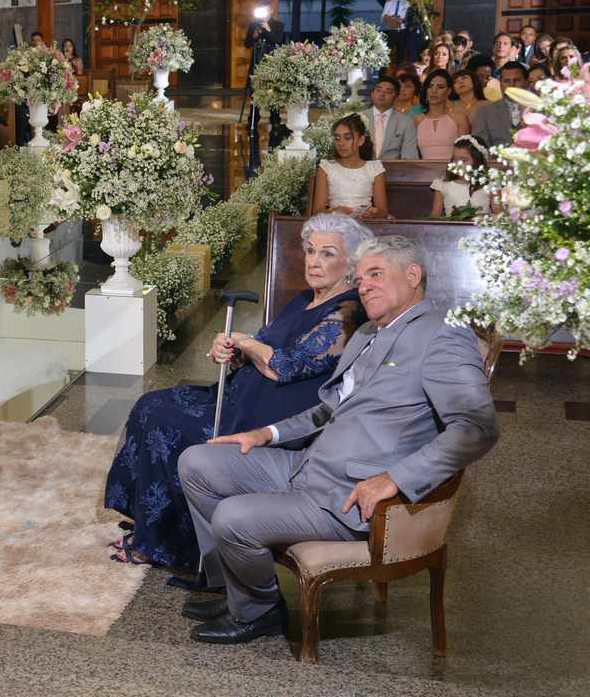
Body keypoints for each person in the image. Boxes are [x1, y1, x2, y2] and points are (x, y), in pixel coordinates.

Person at [177, 236, 499, 644]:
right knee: (197, 461)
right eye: (360, 278)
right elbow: (328, 408)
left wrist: (394, 479)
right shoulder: (366, 332)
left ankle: (258, 613)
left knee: (232, 518)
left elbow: (477, 426)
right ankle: (240, 592)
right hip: (307, 465)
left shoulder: (443, 334)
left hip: (348, 495)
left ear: (413, 276)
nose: (363, 286)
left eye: (376, 274)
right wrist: (265, 434)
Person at [105, 213, 370, 571]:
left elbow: (286, 366)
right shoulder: (301, 299)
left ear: (350, 263)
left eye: (327, 253)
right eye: (310, 251)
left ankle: (165, 545)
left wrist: (249, 345)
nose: (314, 262)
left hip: (271, 417)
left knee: (167, 422)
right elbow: (260, 350)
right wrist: (229, 351)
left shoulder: (348, 311)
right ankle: (153, 524)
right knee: (150, 402)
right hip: (237, 395)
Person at [310, 113, 388, 219]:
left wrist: (373, 214)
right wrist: (333, 211)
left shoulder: (374, 168)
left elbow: (383, 212)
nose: (341, 143)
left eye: (347, 138)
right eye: (337, 138)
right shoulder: (327, 167)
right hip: (335, 225)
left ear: (361, 140)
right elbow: (317, 212)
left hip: (365, 225)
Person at [430, 137, 502, 217]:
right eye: (454, 158)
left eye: (463, 160)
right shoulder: (442, 185)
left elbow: (499, 214)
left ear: (477, 161)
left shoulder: (490, 185)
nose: (457, 163)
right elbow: (434, 218)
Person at [413, 69, 469, 160]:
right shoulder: (416, 119)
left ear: (448, 91)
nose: (434, 91)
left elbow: (465, 153)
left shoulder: (459, 117)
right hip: (422, 171)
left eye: (440, 87)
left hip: (453, 170)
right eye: (430, 86)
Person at [472, 60, 529, 148]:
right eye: (506, 81)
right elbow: (481, 149)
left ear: (526, 82)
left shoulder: (540, 110)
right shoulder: (485, 112)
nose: (511, 84)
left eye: (517, 80)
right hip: (497, 161)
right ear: (500, 83)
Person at [364, 77, 418, 159]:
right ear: (372, 94)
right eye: (379, 90)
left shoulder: (406, 122)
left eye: (388, 92)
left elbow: (409, 156)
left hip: (393, 170)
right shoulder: (359, 118)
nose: (382, 94)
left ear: (396, 99)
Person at [381, 0, 409, 66]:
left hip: (401, 33)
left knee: (400, 57)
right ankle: (381, 77)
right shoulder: (389, 3)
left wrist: (403, 21)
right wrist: (385, 17)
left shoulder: (407, 4)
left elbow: (409, 19)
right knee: (385, 55)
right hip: (391, 32)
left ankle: (398, 77)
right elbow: (382, 19)